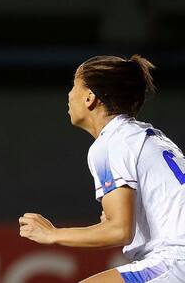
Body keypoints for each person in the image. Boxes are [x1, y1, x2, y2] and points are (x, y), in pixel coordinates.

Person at [19, 55, 185, 282]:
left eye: (74, 86)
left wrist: (52, 234)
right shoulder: (146, 136)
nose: (69, 95)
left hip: (175, 260)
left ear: (90, 98)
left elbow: (120, 231)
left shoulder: (111, 144)